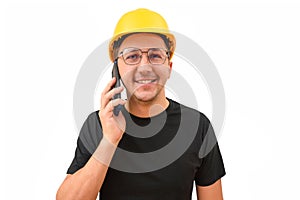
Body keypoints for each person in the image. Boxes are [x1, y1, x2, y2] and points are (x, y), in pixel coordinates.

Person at [56, 8, 226, 200]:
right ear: (117, 70)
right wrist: (109, 140)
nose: (145, 67)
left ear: (169, 68)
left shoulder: (197, 126)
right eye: (132, 56)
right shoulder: (99, 123)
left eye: (155, 55)